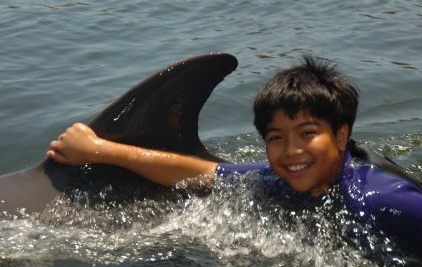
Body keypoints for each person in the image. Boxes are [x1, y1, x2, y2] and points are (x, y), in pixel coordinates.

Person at [47, 56, 422, 255]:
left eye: (308, 134)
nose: (292, 151)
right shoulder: (276, 180)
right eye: (276, 138)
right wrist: (99, 150)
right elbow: (201, 172)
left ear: (341, 137)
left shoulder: (384, 201)